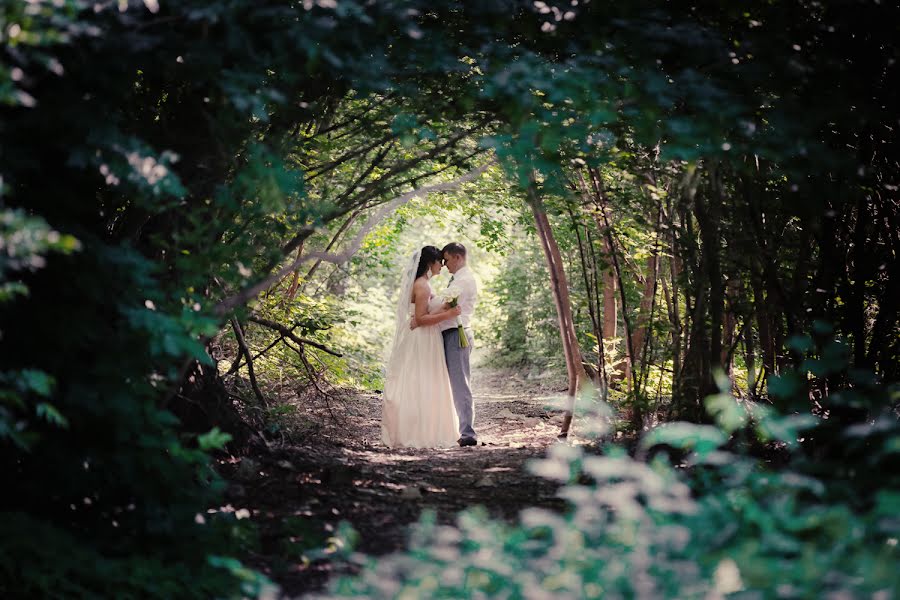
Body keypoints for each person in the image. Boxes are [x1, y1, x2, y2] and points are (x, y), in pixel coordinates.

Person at [381, 246, 462, 448]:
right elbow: (421, 319)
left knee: (423, 382)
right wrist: (449, 314)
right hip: (422, 339)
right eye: (439, 262)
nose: (442, 266)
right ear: (430, 263)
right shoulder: (423, 286)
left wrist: (443, 306)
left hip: (426, 338)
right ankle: (419, 432)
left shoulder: (423, 284)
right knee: (422, 382)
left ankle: (424, 428)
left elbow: (424, 313)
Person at [411, 242, 479, 447]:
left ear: (457, 257)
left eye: (447, 260)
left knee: (460, 385)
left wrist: (421, 317)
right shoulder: (456, 279)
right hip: (446, 333)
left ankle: (468, 433)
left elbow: (447, 305)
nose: (444, 264)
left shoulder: (464, 280)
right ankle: (449, 428)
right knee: (449, 385)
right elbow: (443, 302)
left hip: (456, 334)